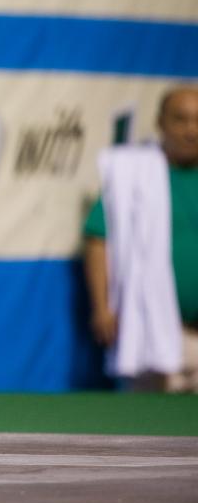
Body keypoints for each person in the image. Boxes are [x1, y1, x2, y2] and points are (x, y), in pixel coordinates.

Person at [83, 86, 198, 392]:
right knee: (153, 432)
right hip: (153, 331)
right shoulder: (133, 175)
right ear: (161, 123)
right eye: (181, 120)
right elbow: (98, 239)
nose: (191, 130)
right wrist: (102, 306)